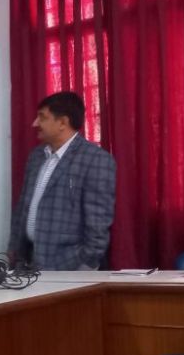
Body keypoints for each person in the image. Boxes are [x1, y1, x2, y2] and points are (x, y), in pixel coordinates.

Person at [7, 91, 116, 271]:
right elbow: (22, 208)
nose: (35, 123)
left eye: (42, 117)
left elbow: (98, 225)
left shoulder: (95, 159)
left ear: (63, 123)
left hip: (70, 267)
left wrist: (85, 265)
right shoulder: (36, 156)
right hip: (29, 265)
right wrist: (13, 251)